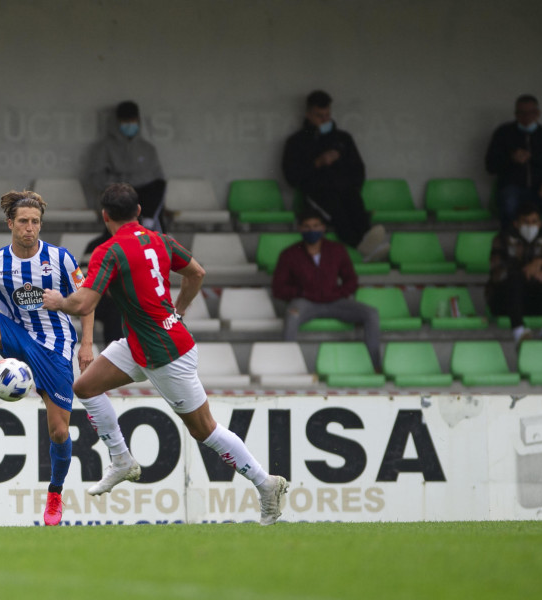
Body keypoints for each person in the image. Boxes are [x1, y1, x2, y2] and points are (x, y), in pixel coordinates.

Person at [42, 183, 289, 526]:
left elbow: (84, 302)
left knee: (204, 430)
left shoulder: (109, 251)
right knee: (84, 387)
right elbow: (197, 273)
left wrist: (58, 301)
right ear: (139, 211)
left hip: (165, 353)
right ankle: (122, 460)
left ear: (105, 216)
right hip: (141, 343)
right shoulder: (160, 240)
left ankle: (267, 484)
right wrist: (179, 310)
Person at [0, 190, 140, 526]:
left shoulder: (60, 259)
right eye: (23, 222)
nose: (30, 228)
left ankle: (55, 495)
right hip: (19, 339)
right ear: (10, 223)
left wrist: (87, 345)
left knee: (59, 431)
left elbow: (86, 301)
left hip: (55, 346)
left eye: (35, 222)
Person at [282, 90, 388, 262]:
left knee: (353, 199)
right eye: (319, 116)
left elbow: (358, 169)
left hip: (345, 190)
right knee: (335, 207)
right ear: (308, 115)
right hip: (316, 194)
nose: (324, 120)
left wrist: (349, 184)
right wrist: (317, 163)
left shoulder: (343, 139)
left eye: (327, 115)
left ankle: (368, 245)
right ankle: (364, 247)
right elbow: (291, 177)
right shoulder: (296, 142)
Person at [272, 209, 382, 370]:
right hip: (305, 302)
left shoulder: (336, 250)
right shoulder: (289, 254)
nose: (312, 230)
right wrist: (301, 293)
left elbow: (351, 280)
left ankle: (375, 367)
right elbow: (278, 288)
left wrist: (338, 293)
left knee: (371, 314)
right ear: (300, 229)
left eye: (316, 226)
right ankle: (288, 366)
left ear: (323, 228)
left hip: (335, 301)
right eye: (307, 226)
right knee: (291, 315)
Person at [89, 101, 167, 232]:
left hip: (143, 196)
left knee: (158, 187)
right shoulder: (105, 148)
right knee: (120, 197)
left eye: (133, 121)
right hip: (119, 194)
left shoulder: (147, 149)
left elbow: (157, 177)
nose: (130, 125)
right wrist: (122, 181)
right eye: (126, 121)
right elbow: (97, 178)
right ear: (118, 122)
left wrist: (134, 180)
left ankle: (148, 223)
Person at [486, 201, 542, 345]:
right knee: (514, 277)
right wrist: (528, 271)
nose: (530, 225)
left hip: (535, 300)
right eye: (525, 222)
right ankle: (519, 332)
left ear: (539, 224)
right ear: (516, 224)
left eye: (534, 221)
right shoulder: (501, 239)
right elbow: (498, 274)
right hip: (505, 301)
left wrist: (540, 263)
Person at [485, 94, 542, 229]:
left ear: (537, 113)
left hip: (540, 188)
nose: (526, 117)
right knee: (509, 203)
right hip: (512, 187)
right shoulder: (503, 133)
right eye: (521, 113)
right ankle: (511, 242)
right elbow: (490, 166)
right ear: (516, 114)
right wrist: (511, 159)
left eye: (530, 113)